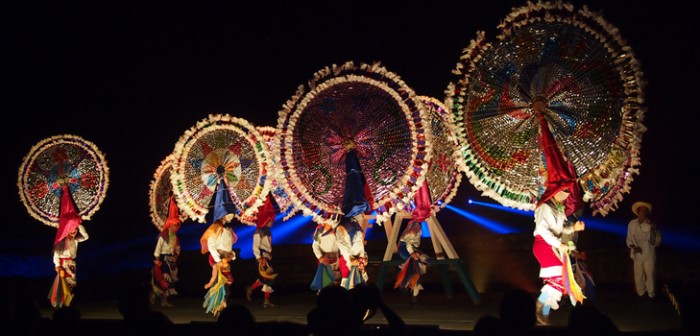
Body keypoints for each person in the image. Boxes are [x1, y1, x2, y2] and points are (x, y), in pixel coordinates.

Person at [533, 188, 585, 325]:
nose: (567, 193)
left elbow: (561, 230)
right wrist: (558, 244)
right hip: (544, 244)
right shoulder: (544, 206)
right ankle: (540, 308)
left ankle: (543, 315)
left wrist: (574, 228)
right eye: (564, 190)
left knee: (560, 282)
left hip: (553, 245)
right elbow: (542, 229)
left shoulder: (559, 209)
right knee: (559, 280)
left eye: (568, 190)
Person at [201, 176, 240, 317]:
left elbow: (228, 246)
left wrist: (232, 254)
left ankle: (221, 304)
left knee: (227, 282)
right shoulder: (215, 227)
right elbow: (211, 245)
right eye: (229, 213)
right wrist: (217, 259)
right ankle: (219, 305)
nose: (231, 216)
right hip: (217, 258)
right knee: (219, 282)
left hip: (225, 259)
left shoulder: (227, 229)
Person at [49, 185, 89, 308]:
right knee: (64, 286)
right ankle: (62, 306)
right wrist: (58, 267)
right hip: (64, 265)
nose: (74, 232)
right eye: (72, 230)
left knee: (71, 285)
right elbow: (56, 256)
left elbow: (86, 236)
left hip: (72, 264)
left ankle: (67, 305)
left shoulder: (75, 240)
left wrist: (79, 224)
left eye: (75, 230)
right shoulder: (62, 241)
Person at [245, 195, 278, 308]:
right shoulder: (259, 232)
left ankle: (253, 289)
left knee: (266, 278)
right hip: (262, 258)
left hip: (267, 256)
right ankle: (266, 301)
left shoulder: (268, 231)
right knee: (268, 278)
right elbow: (255, 246)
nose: (272, 222)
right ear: (265, 220)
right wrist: (259, 258)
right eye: (270, 220)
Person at [150, 195, 181, 308]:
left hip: (171, 261)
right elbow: (158, 248)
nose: (176, 227)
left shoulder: (175, 237)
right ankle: (162, 300)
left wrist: (176, 256)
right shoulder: (163, 236)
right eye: (174, 225)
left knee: (169, 280)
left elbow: (177, 249)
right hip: (163, 260)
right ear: (169, 225)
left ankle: (157, 297)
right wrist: (157, 259)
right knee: (164, 280)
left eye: (177, 225)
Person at [626, 201, 661, 300]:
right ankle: (641, 293)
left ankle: (651, 294)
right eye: (641, 210)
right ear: (637, 212)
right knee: (638, 274)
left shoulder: (650, 224)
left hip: (649, 252)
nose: (643, 212)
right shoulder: (632, 224)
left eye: (645, 211)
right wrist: (633, 247)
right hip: (637, 253)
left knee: (650, 274)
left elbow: (654, 241)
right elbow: (629, 239)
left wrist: (653, 230)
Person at [310, 223, 340, 292]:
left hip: (336, 258)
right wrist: (320, 257)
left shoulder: (338, 228)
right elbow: (315, 246)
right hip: (324, 258)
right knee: (324, 282)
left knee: (336, 282)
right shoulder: (320, 229)